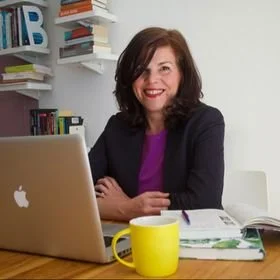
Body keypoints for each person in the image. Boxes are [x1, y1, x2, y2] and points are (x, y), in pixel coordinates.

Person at [88, 27, 225, 222]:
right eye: (141, 70)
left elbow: (204, 202)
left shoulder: (206, 122)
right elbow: (79, 190)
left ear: (181, 74)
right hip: (127, 238)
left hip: (186, 239)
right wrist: (125, 208)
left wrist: (126, 208)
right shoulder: (117, 126)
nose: (152, 80)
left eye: (164, 68)